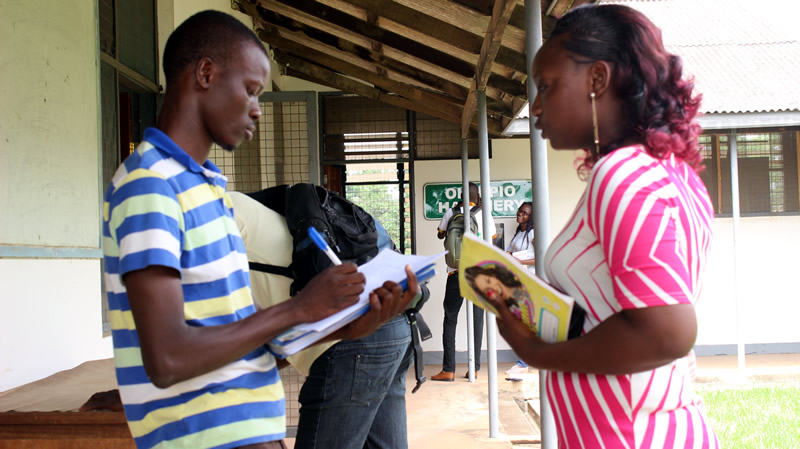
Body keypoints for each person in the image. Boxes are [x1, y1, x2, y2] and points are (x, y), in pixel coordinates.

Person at [102, 11, 418, 449]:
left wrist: (344, 328)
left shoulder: (210, 193)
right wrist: (299, 307)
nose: (256, 109)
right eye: (250, 90)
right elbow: (168, 358)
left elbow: (239, 340)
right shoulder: (150, 186)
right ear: (206, 73)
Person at [487, 4, 719, 447]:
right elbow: (617, 305)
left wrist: (537, 353)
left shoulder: (624, 175)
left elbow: (667, 331)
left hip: (630, 434)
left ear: (597, 79)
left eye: (546, 86)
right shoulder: (668, 170)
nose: (535, 106)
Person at [229, 192, 415, 449]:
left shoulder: (217, 219)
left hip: (352, 336)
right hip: (389, 323)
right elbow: (261, 350)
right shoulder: (242, 208)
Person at [431, 182, 496, 381]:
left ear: (461, 195)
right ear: (477, 197)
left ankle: (448, 369)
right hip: (478, 273)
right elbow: (491, 240)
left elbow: (440, 233)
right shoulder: (484, 214)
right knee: (477, 319)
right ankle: (474, 368)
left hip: (455, 273)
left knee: (450, 318)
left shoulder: (451, 212)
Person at [505, 202, 535, 376]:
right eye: (520, 211)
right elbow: (510, 252)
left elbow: (541, 256)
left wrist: (518, 260)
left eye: (525, 213)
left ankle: (523, 363)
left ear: (531, 216)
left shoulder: (532, 232)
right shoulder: (519, 233)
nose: (520, 214)